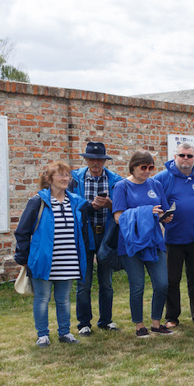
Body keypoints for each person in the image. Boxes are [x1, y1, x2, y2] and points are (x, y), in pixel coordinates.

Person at [14, 161, 98, 347]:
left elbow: (83, 232)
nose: (65, 178)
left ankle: (65, 333)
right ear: (49, 178)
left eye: (67, 175)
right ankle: (42, 335)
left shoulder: (76, 202)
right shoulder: (38, 202)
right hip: (43, 260)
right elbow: (22, 231)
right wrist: (24, 258)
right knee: (42, 298)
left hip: (68, 260)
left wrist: (84, 256)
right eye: (60, 175)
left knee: (64, 300)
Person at [112, 150, 174, 338]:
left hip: (154, 241)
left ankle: (156, 323)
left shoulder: (156, 185)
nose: (147, 171)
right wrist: (147, 212)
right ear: (133, 167)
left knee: (162, 283)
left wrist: (165, 217)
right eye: (143, 167)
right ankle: (139, 325)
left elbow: (161, 211)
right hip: (131, 243)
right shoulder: (121, 186)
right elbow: (118, 218)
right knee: (137, 285)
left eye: (151, 167)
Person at [153, 143, 194, 328]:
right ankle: (172, 316)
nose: (185, 159)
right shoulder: (163, 178)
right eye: (182, 155)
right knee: (172, 279)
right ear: (175, 157)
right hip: (172, 238)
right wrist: (161, 215)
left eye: (189, 156)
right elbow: (152, 199)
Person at [70, 141, 123, 336]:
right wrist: (89, 207)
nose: (95, 163)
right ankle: (84, 323)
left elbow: (123, 207)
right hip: (84, 235)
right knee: (83, 283)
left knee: (106, 283)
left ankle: (106, 321)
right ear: (86, 159)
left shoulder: (116, 181)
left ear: (104, 161)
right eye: (91, 159)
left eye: (99, 159)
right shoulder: (74, 179)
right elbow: (70, 205)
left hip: (106, 236)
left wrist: (110, 204)